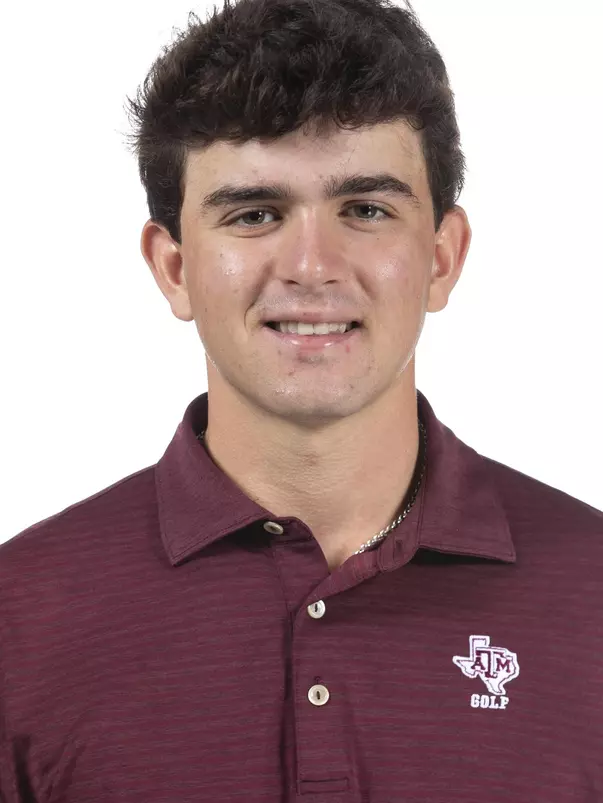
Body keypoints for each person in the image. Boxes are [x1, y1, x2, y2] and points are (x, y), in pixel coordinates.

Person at [1, 0, 602, 799]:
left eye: (365, 210)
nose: (312, 265)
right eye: (254, 214)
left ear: (441, 257)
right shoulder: (20, 618)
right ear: (173, 268)